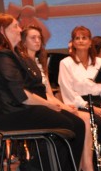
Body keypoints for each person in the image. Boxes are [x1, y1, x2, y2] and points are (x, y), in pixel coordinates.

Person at [0, 13, 85, 170]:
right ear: (3, 31)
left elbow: (28, 90)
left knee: (77, 124)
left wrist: (52, 105)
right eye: (15, 26)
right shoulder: (1, 56)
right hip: (7, 114)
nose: (20, 29)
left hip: (17, 109)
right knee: (66, 124)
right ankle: (32, 168)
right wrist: (49, 105)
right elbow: (21, 94)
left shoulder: (11, 55)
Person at [17, 25, 94, 171]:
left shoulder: (39, 63)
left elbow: (50, 95)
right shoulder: (22, 63)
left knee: (84, 119)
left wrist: (65, 106)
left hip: (48, 104)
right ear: (24, 41)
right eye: (33, 38)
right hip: (36, 107)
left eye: (39, 38)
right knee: (76, 123)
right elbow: (35, 95)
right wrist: (62, 107)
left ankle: (81, 166)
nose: (37, 41)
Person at [58, 25, 101, 169]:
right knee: (98, 123)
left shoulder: (100, 63)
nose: (81, 41)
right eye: (77, 38)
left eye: (84, 38)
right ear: (73, 42)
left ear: (90, 42)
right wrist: (89, 107)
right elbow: (68, 92)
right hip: (80, 105)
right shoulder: (66, 63)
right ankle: (97, 165)